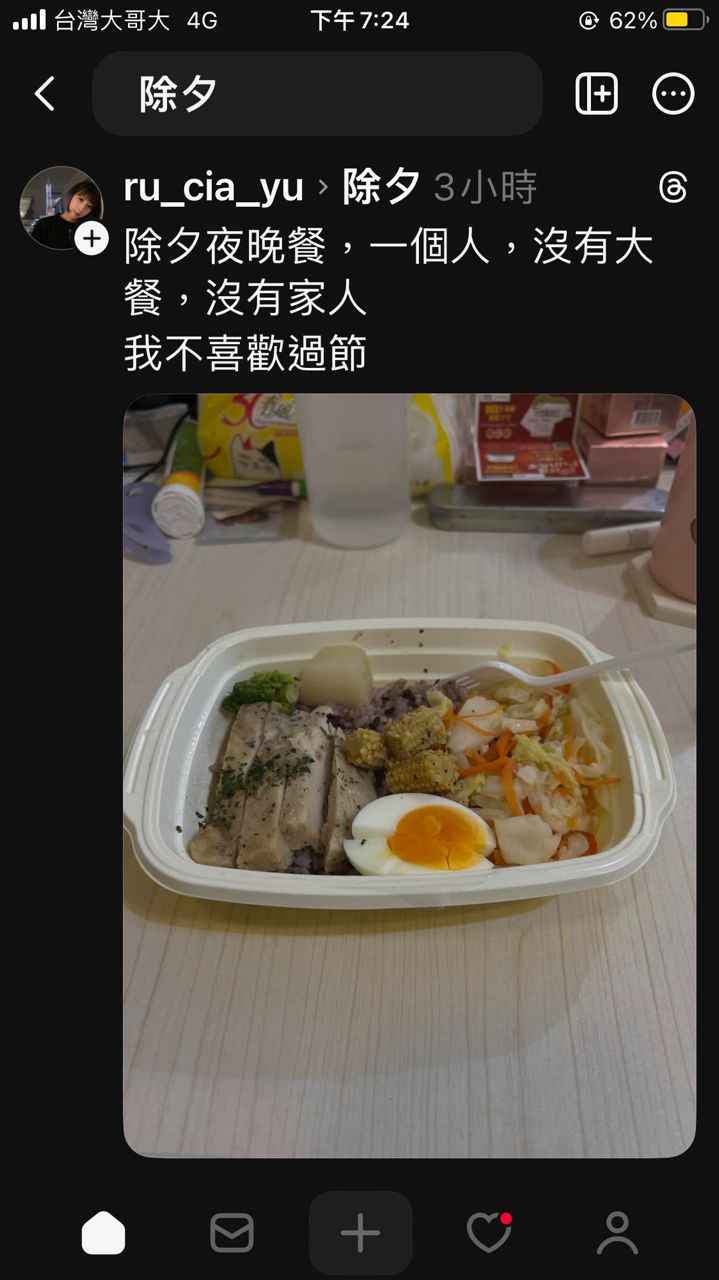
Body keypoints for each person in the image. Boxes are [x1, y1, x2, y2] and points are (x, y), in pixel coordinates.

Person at [30, 180, 101, 249]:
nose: (81, 208)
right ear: (71, 195)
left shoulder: (89, 230)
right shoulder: (44, 224)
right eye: (81, 199)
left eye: (89, 206)